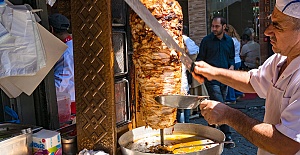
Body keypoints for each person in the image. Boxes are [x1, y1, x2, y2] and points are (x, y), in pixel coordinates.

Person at [192, 0, 300, 154]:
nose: (267, 31)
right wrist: (211, 71)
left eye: (278, 26)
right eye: (271, 22)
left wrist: (229, 115)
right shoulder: (280, 59)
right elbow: (252, 81)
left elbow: (287, 144)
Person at [196, 16, 235, 148]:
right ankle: (227, 135)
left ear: (224, 27)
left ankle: (211, 131)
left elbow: (231, 58)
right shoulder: (206, 41)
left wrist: (231, 66)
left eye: (217, 26)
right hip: (211, 79)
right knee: (221, 105)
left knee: (216, 105)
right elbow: (200, 58)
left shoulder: (229, 41)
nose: (214, 28)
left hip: (225, 77)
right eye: (212, 26)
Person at [49, 13, 75, 102]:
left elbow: (59, 85)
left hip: (68, 102)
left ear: (51, 29)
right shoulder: (73, 43)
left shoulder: (65, 53)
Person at [177, 26, 199, 123]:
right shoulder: (185, 58)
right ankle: (187, 123)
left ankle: (182, 125)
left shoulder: (178, 60)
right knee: (185, 107)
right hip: (185, 85)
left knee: (180, 108)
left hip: (180, 86)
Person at [224, 24, 241, 104]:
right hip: (238, 60)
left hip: (233, 61)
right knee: (235, 79)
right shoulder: (237, 39)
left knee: (229, 80)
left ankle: (231, 98)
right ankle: (238, 93)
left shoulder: (229, 40)